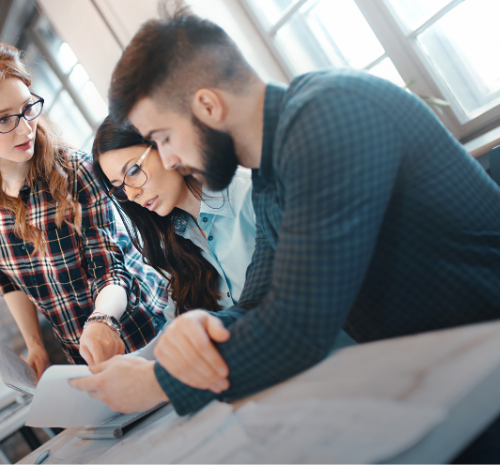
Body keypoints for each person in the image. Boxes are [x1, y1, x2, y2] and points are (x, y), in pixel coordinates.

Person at [69, 8, 500, 427]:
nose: (170, 158)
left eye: (163, 138)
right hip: (443, 372)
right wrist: (199, 331)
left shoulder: (327, 115)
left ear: (207, 105)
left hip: (481, 358)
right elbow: (260, 298)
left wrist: (159, 383)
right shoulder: (270, 176)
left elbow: (298, 324)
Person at [0, 40, 168, 376]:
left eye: (28, 107)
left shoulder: (74, 169)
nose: (25, 127)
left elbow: (110, 268)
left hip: (143, 329)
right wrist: (35, 345)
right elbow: (6, 275)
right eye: (3, 120)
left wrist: (103, 319)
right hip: (82, 354)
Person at [92, 117, 255, 321]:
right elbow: (177, 323)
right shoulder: (169, 243)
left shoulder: (250, 195)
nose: (132, 195)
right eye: (120, 187)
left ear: (163, 145)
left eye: (133, 171)